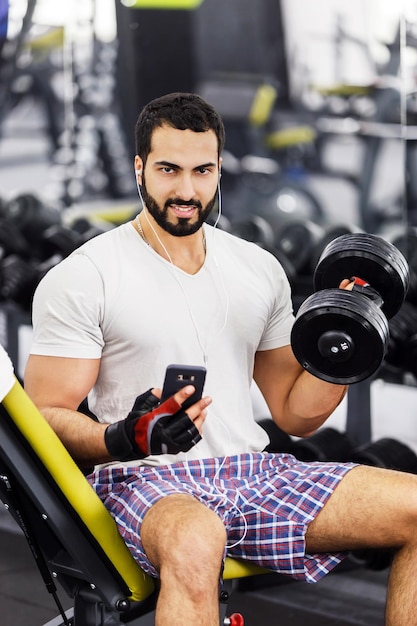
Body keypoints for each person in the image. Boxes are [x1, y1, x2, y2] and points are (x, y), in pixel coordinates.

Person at [24, 92, 417, 626]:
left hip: (254, 473)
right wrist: (126, 436)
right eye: (168, 169)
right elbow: (42, 417)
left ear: (219, 169)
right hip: (146, 480)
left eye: (201, 170)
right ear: (140, 168)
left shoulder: (258, 269)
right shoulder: (87, 274)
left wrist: (349, 331)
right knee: (196, 536)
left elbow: (295, 415)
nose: (187, 190)